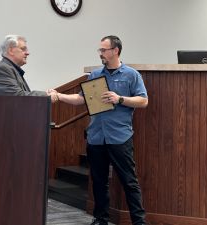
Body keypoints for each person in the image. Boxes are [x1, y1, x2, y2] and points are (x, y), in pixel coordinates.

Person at [56, 35, 148, 225]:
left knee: (129, 182)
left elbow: (143, 101)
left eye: (104, 50)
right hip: (96, 137)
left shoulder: (131, 75)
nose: (100, 54)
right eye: (100, 50)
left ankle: (139, 222)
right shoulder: (95, 75)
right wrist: (59, 95)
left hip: (120, 138)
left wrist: (119, 99)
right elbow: (81, 99)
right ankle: (100, 219)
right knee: (98, 182)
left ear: (115, 51)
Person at [0, 34, 58, 101]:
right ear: (11, 51)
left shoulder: (11, 68)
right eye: (23, 49)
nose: (27, 53)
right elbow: (18, 96)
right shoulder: (2, 69)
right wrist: (46, 95)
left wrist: (45, 94)